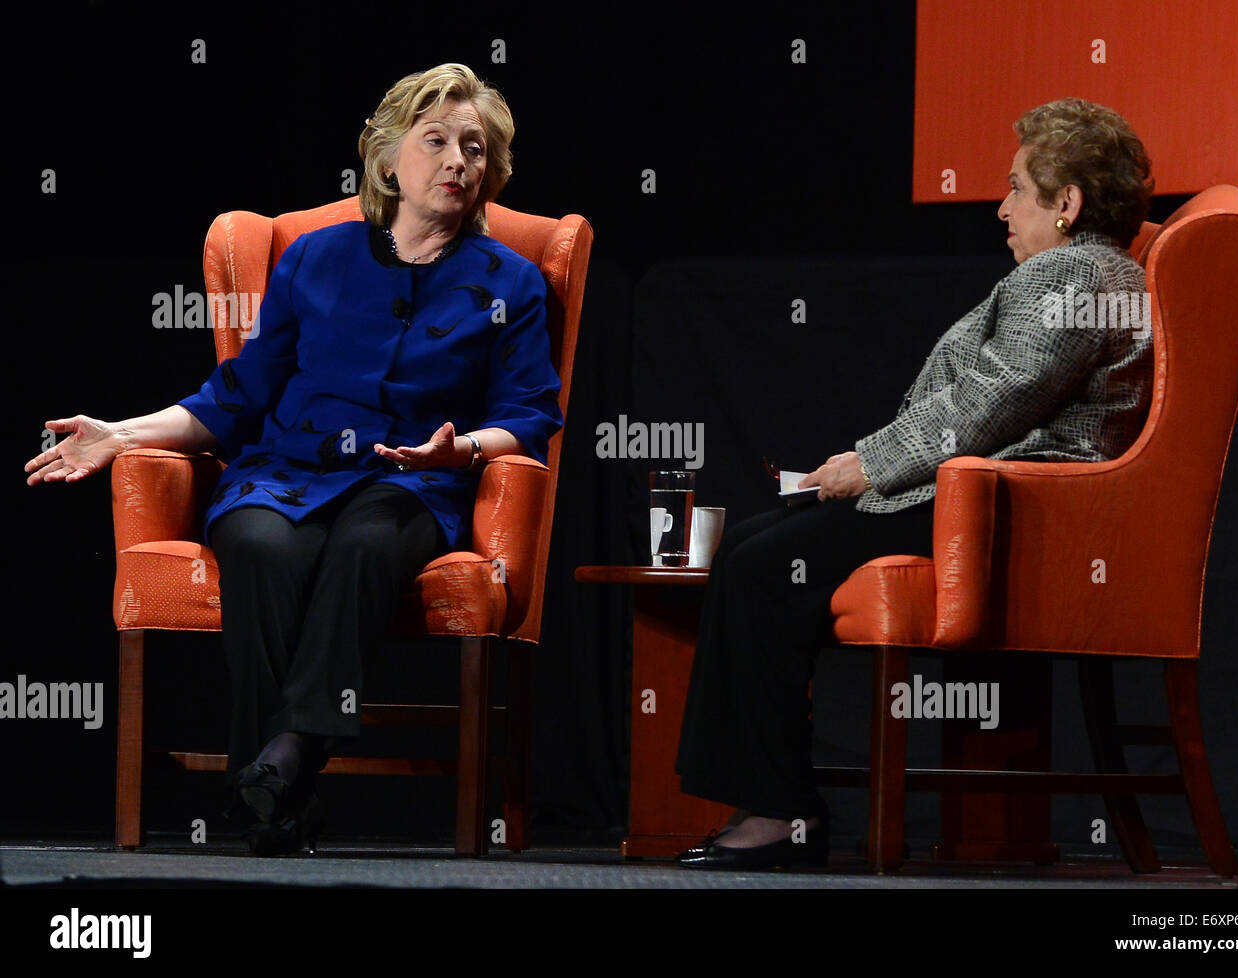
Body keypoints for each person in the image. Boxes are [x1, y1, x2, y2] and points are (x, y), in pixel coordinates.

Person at [23, 64, 563, 855]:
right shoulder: (313, 258)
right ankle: (283, 792)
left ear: (492, 171)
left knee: (367, 544)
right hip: (285, 475)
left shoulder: (509, 281)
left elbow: (532, 414)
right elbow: (237, 397)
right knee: (252, 542)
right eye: (437, 141)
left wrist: (464, 449)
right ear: (387, 161)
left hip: (408, 482)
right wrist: (123, 434)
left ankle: (281, 763)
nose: (457, 162)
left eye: (475, 149)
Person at [674, 97, 1155, 869]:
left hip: (1005, 504)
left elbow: (996, 396)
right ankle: (771, 802)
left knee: (759, 567)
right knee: (761, 548)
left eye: (1016, 188)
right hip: (994, 494)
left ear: (1067, 205)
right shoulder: (1102, 272)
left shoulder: (1077, 272)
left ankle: (778, 814)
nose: (1000, 209)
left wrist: (870, 463)